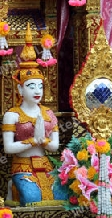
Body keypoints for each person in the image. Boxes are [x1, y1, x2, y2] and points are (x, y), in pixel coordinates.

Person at [2, 25, 66, 206]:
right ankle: (12, 188)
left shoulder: (47, 113)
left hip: (45, 164)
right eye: (31, 86)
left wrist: (43, 141)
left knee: (61, 197)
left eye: (40, 86)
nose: (37, 91)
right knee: (32, 199)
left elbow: (54, 146)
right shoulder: (12, 115)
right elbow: (8, 148)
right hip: (22, 166)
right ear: (20, 88)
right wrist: (31, 140)